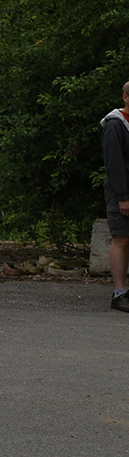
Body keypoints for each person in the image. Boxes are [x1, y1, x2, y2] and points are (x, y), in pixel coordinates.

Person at [100, 81, 129, 313]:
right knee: (121, 239)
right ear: (125, 98)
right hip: (121, 192)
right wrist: (123, 196)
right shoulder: (114, 124)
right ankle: (119, 293)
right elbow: (114, 163)